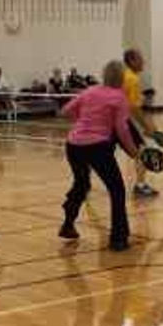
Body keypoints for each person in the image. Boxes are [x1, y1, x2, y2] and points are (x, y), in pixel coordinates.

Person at [59, 60, 141, 251]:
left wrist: (84, 122)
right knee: (117, 190)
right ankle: (118, 239)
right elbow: (122, 129)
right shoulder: (120, 97)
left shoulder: (90, 91)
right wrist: (133, 152)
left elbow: (65, 111)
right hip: (97, 147)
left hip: (73, 145)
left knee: (81, 184)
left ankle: (68, 224)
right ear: (122, 78)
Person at [123, 48, 160, 199]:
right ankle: (140, 186)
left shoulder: (122, 75)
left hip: (111, 119)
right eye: (140, 59)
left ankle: (84, 181)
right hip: (120, 120)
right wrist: (148, 127)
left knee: (100, 152)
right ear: (131, 61)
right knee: (142, 151)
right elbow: (134, 109)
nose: (143, 62)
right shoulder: (132, 79)